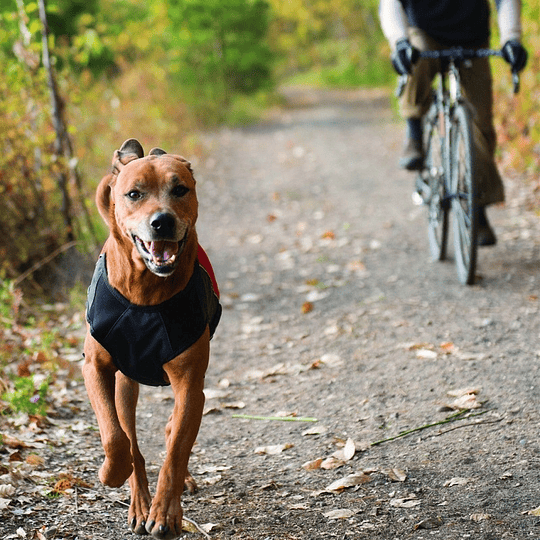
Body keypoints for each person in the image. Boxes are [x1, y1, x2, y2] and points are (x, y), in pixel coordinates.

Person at [379, 0, 527, 246]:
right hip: (424, 31)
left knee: (481, 123)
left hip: (472, 38)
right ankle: (414, 133)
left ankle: (476, 209)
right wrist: (399, 42)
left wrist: (511, 38)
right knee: (416, 58)